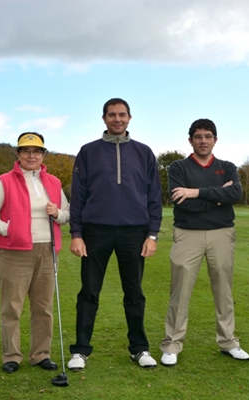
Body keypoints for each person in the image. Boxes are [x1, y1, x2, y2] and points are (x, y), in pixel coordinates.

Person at [67, 98, 163, 370]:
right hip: (96, 231)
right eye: (112, 115)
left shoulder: (144, 152)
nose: (117, 119)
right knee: (89, 292)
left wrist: (152, 235)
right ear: (104, 118)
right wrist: (76, 233)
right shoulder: (88, 151)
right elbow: (79, 196)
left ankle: (139, 348)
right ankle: (81, 350)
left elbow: (154, 197)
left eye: (122, 115)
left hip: (134, 232)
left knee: (134, 292)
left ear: (130, 118)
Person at [159, 118, 249, 367]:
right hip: (187, 233)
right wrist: (217, 196)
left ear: (215, 140)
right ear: (190, 140)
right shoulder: (178, 167)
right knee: (181, 290)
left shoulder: (228, 167)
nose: (203, 140)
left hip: (222, 233)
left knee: (224, 290)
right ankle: (172, 344)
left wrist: (196, 192)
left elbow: (235, 194)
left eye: (208, 136)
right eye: (198, 136)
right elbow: (181, 201)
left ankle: (228, 341)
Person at [0, 132, 70, 374]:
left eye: (37, 151)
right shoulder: (5, 181)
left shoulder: (54, 182)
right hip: (14, 252)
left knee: (43, 306)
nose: (32, 155)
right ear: (18, 154)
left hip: (47, 249)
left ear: (42, 155)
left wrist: (57, 214)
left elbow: (67, 214)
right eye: (26, 150)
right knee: (12, 306)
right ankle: (11, 355)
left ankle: (41, 354)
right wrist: (8, 228)